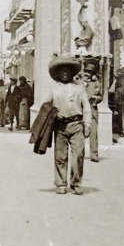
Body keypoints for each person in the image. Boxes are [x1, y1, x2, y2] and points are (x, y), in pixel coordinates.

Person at [43, 56, 91, 195]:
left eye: (67, 71)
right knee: (60, 156)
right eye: (62, 71)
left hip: (76, 125)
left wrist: (87, 124)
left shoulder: (79, 89)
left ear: (72, 73)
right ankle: (61, 183)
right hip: (60, 127)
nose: (65, 73)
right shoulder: (54, 90)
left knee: (78, 156)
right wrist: (53, 114)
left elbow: (86, 107)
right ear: (57, 74)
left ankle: (76, 183)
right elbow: (45, 106)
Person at [83, 61, 103, 161]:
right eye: (86, 71)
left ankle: (94, 155)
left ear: (93, 74)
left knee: (93, 134)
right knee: (80, 135)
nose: (87, 74)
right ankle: (79, 154)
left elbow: (101, 96)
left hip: (92, 111)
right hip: (81, 113)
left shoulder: (96, 83)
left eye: (90, 72)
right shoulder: (79, 83)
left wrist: (96, 98)